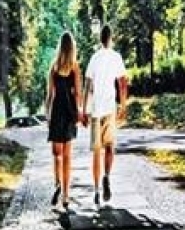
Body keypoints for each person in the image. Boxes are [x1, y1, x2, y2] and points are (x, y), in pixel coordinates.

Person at [83, 24, 128, 206]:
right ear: (111, 38)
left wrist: (83, 110)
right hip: (110, 108)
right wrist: (123, 105)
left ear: (100, 39)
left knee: (96, 151)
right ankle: (107, 177)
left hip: (95, 110)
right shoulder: (116, 57)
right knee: (109, 147)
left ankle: (95, 190)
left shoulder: (94, 58)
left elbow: (87, 85)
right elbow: (122, 82)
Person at [44, 32, 82, 210]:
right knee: (67, 156)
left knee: (56, 154)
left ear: (60, 46)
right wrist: (79, 112)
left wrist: (47, 114)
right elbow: (78, 93)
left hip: (57, 112)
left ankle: (57, 183)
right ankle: (66, 195)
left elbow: (50, 95)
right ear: (72, 47)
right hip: (69, 113)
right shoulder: (74, 67)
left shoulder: (53, 67)